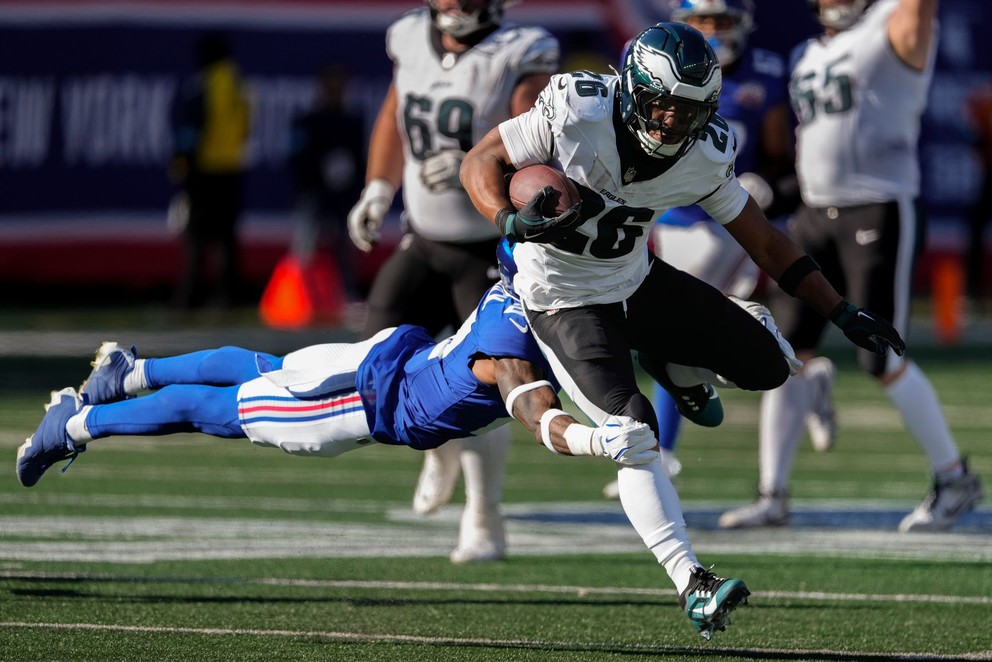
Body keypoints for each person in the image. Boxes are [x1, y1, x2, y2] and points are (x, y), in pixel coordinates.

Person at [459, 22, 905, 637]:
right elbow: (482, 160)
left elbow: (767, 244)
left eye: (689, 108)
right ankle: (691, 579)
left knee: (772, 365)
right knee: (633, 434)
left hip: (636, 278)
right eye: (663, 103)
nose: (672, 120)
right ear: (634, 92)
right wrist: (507, 220)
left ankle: (676, 361)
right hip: (562, 299)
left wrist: (840, 310)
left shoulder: (701, 152)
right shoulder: (577, 109)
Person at [718, 0, 984, 532]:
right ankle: (773, 494)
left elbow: (915, 14)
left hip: (879, 206)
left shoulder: (890, 27)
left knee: (881, 356)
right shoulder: (809, 51)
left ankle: (954, 478)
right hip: (815, 213)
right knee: (783, 350)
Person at [346, 0, 559, 563]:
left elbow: (536, 139)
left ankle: (484, 516)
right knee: (377, 359)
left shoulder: (521, 49)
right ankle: (438, 447)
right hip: (425, 238)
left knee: (488, 381)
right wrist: (377, 187)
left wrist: (475, 161)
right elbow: (395, 115)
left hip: (488, 249)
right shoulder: (410, 36)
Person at [603, 0, 806, 496]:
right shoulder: (647, 60)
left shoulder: (765, 73)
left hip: (726, 217)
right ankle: (794, 370)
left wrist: (766, 187)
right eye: (702, 22)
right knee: (663, 330)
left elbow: (786, 162)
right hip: (666, 214)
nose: (712, 33)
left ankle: (664, 446)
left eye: (722, 22)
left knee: (671, 330)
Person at [169, 33, 252, 309]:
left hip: (204, 170)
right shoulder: (240, 83)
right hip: (233, 168)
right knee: (227, 236)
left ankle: (191, 294)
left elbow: (191, 130)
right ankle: (229, 295)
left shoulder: (203, 84)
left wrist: (181, 163)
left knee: (196, 236)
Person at [286, 64, 366, 300]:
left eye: (340, 87)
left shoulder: (352, 122)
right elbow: (298, 158)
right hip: (314, 193)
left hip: (342, 195)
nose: (336, 92)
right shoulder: (308, 121)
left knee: (344, 246)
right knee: (304, 248)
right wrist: (308, 185)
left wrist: (352, 186)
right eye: (331, 87)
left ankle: (346, 293)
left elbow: (360, 158)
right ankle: (299, 294)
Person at [964, 82, 992, 304]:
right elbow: (975, 138)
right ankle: (973, 289)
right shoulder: (984, 100)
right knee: (975, 231)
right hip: (989, 177)